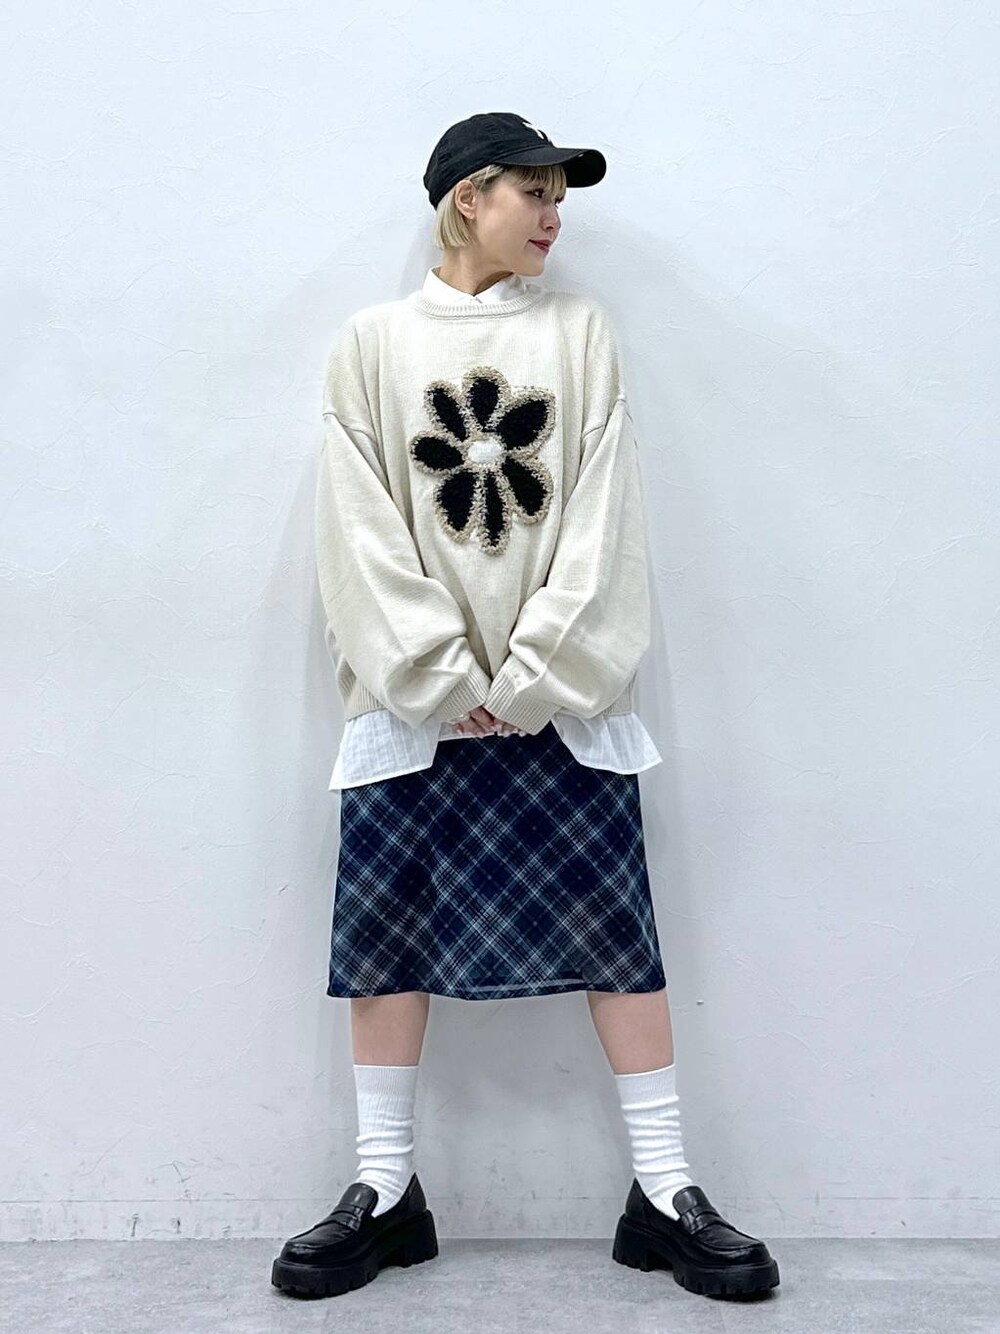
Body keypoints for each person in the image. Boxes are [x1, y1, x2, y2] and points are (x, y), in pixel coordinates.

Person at [271, 111, 780, 1303]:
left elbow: (605, 513)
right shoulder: (373, 344)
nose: (555, 217)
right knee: (386, 937)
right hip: (416, 706)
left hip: (564, 698)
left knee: (616, 931)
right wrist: (444, 676)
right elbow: (359, 526)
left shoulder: (579, 331)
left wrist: (536, 675)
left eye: (560, 198)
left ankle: (663, 1187)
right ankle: (385, 1186)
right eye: (535, 193)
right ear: (468, 198)